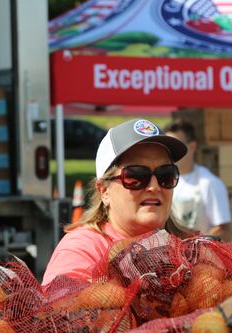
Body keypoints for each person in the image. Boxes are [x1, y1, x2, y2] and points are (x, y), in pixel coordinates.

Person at [42, 119, 191, 286]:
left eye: (165, 175)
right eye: (136, 176)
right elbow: (61, 308)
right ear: (104, 191)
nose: (154, 187)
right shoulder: (83, 249)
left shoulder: (190, 247)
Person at [164, 120, 232, 241]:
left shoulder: (209, 183)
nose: (172, 152)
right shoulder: (161, 181)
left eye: (177, 146)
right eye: (169, 147)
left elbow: (224, 229)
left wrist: (197, 246)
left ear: (192, 146)